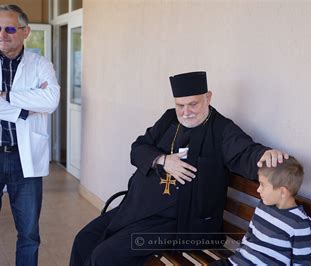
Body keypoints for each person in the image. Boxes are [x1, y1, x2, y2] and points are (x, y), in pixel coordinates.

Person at [70, 71, 289, 265]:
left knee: (105, 256)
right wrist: (163, 160)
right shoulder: (168, 119)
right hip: (138, 209)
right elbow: (138, 148)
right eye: (180, 105)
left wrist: (263, 154)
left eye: (193, 104)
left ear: (208, 97)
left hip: (179, 224)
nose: (186, 112)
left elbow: (245, 152)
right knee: (84, 239)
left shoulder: (222, 129)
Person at [0, 4, 60, 266]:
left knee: (29, 234)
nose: (2, 34)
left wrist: (6, 96)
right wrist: (23, 110)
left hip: (23, 159)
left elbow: (50, 100)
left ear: (25, 31)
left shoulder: (41, 64)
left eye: (9, 28)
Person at [212, 156, 311, 265]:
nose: (258, 189)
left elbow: (302, 263)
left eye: (263, 185)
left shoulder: (299, 223)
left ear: (282, 192)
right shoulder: (263, 206)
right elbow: (249, 235)